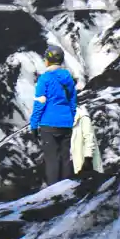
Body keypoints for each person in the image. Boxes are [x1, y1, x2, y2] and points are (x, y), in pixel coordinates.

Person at [31, 44, 76, 185]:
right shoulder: (68, 78)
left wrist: (34, 125)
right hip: (66, 123)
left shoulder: (44, 79)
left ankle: (54, 194)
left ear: (48, 60)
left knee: (52, 160)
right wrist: (70, 118)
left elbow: (39, 103)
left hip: (48, 124)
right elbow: (73, 102)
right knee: (65, 158)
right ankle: (67, 190)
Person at [71, 104, 103, 176]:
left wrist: (88, 158)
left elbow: (89, 139)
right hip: (73, 164)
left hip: (84, 165)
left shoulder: (83, 117)